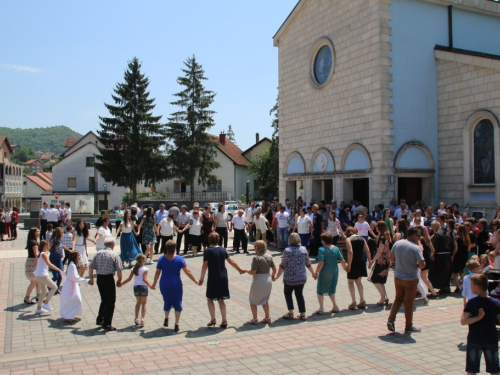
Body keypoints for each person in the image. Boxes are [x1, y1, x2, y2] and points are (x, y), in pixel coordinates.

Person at [199, 232, 245, 328]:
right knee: (221, 299)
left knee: (210, 298)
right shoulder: (223, 250)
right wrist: (239, 269)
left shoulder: (208, 251)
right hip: (223, 277)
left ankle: (213, 319)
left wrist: (201, 278)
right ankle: (224, 320)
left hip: (213, 277)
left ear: (209, 240)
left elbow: (204, 266)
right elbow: (231, 261)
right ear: (218, 240)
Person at [151, 241, 198, 332]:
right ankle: (176, 323)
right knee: (177, 301)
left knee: (167, 300)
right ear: (175, 248)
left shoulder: (161, 259)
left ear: (166, 249)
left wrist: (153, 284)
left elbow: (157, 273)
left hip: (164, 282)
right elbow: (187, 271)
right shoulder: (180, 259)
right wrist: (195, 280)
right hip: (176, 283)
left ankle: (166, 317)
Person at [387, 227, 426, 333]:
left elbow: (391, 259)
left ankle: (391, 319)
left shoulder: (397, 244)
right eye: (418, 236)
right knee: (409, 302)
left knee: (398, 298)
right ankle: (408, 325)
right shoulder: (415, 248)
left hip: (398, 276)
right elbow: (422, 264)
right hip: (410, 278)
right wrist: (415, 264)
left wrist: (400, 262)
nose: (419, 238)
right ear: (413, 236)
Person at [461, 274, 500, 375]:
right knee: (494, 369)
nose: (470, 287)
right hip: (491, 338)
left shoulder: (472, 303)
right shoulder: (496, 303)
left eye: (471, 285)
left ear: (477, 287)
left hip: (475, 338)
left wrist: (477, 318)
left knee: (471, 370)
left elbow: (463, 321)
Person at [273, 232, 316, 321]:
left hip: (290, 278)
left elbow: (282, 265)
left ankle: (291, 312)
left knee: (288, 293)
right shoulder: (303, 250)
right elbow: (308, 263)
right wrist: (313, 273)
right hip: (301, 277)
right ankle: (303, 314)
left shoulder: (287, 251)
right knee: (299, 294)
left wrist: (277, 276)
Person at [88, 237, 123, 331]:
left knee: (104, 299)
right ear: (112, 245)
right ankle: (107, 323)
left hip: (100, 278)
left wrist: (91, 278)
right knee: (111, 302)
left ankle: (100, 318)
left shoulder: (98, 253)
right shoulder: (114, 255)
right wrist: (119, 280)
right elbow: (119, 269)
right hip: (108, 278)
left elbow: (90, 267)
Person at [314, 232, 346, 314]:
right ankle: (335, 306)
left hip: (325, 270)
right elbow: (342, 260)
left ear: (324, 240)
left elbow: (321, 262)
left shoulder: (321, 249)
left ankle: (321, 308)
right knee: (332, 288)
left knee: (320, 289)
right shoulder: (336, 248)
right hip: (334, 270)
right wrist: (346, 269)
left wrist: (316, 271)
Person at [246, 240, 276, 324]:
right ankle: (267, 317)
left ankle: (255, 318)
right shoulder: (269, 256)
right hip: (267, 278)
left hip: (259, 280)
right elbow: (274, 268)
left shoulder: (256, 258)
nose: (254, 248)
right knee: (265, 300)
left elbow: (253, 272)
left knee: (253, 300)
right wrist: (273, 275)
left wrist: (246, 270)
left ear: (258, 248)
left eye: (255, 246)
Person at [121, 254, 155, 326]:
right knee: (144, 303)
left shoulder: (134, 268)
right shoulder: (145, 269)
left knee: (138, 303)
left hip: (136, 287)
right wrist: (151, 286)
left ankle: (136, 318)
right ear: (142, 261)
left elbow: (129, 279)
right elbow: (144, 279)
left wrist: (122, 283)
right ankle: (142, 318)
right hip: (143, 287)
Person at [345, 227, 372, 309]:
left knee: (350, 281)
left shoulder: (348, 239)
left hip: (353, 261)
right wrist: (370, 261)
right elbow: (367, 250)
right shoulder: (362, 238)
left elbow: (350, 252)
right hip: (361, 261)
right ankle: (362, 300)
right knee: (359, 282)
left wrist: (349, 265)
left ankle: (353, 301)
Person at [59, 252, 91, 322]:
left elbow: (64, 273)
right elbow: (75, 277)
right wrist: (86, 281)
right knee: (75, 300)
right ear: (75, 257)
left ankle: (70, 315)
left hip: (70, 285)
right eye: (78, 255)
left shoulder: (72, 264)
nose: (80, 256)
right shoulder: (72, 265)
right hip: (71, 286)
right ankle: (69, 316)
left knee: (73, 300)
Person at [34, 240, 62, 314]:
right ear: (45, 246)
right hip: (43, 275)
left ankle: (38, 308)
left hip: (38, 275)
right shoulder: (44, 254)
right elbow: (49, 264)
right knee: (54, 287)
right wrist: (58, 269)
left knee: (44, 291)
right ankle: (46, 303)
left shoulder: (40, 254)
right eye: (48, 245)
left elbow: (36, 264)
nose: (49, 246)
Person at [369, 221, 392, 305]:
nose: (375, 228)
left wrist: (372, 260)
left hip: (381, 261)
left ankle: (383, 297)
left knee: (375, 279)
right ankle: (384, 297)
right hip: (386, 260)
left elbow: (379, 251)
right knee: (380, 280)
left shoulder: (382, 238)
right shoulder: (385, 236)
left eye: (377, 226)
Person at [24, 228, 41, 305]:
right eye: (37, 231)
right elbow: (36, 255)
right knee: (34, 281)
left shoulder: (31, 241)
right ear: (34, 233)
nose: (39, 232)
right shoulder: (34, 243)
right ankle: (27, 297)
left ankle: (38, 296)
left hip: (30, 262)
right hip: (34, 263)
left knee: (37, 281)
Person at [453, 224, 470, 293]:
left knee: (455, 272)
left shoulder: (457, 238)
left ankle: (457, 286)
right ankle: (464, 285)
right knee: (462, 271)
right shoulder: (467, 238)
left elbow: (456, 249)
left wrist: (453, 254)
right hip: (464, 256)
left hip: (458, 256)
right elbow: (469, 249)